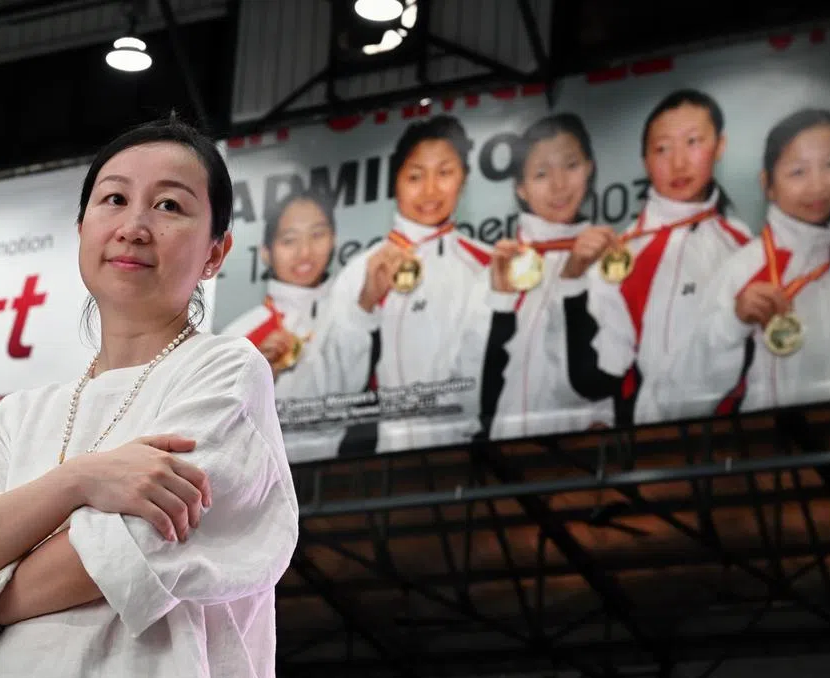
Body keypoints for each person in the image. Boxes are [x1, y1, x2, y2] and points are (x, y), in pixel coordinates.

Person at [0, 116, 300, 678]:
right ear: (81, 230)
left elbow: (135, 546)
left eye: (170, 205)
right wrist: (82, 480)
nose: (134, 226)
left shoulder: (225, 370)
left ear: (215, 253)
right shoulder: (19, 415)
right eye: (114, 199)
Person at [652, 108, 830, 417]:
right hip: (768, 458)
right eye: (798, 171)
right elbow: (677, 402)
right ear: (768, 184)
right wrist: (732, 323)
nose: (818, 185)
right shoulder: (741, 271)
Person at [565, 89, 753, 427]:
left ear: (720, 146)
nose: (679, 163)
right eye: (662, 149)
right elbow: (599, 370)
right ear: (645, 161)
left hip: (733, 441)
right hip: (645, 445)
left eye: (693, 142)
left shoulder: (744, 247)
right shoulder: (619, 252)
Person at [326, 114, 493, 454]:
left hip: (467, 456)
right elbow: (334, 384)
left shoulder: (486, 266)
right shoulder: (359, 271)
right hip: (374, 465)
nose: (430, 190)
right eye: (415, 176)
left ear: (464, 179)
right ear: (395, 182)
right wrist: (365, 305)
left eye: (445, 173)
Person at [482, 113, 617, 440]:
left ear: (589, 168)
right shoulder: (499, 265)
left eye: (570, 166)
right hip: (507, 447)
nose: (559, 185)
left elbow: (616, 357)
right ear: (521, 188)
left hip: (586, 447)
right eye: (541, 173)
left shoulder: (612, 258)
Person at [221, 189, 368, 462]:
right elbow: (219, 431)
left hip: (354, 471)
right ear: (266, 252)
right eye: (289, 240)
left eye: (317, 235)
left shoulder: (357, 310)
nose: (305, 252)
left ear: (334, 240)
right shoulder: (239, 337)